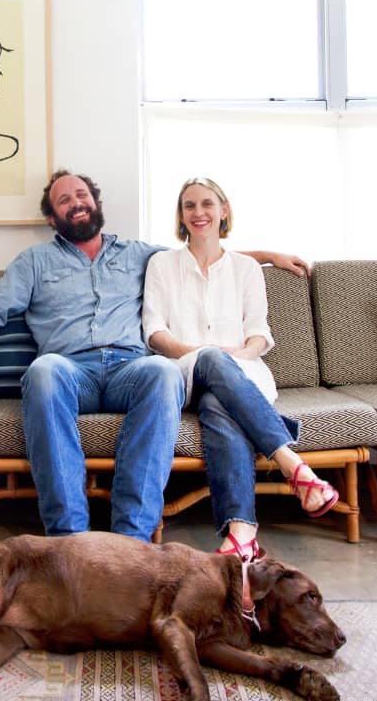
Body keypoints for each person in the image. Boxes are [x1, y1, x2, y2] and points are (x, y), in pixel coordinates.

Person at [0, 169, 312, 543]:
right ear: (53, 218)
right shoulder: (34, 262)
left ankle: (131, 537)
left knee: (162, 372)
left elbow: (200, 253)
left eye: (82, 195)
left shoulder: (137, 254)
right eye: (64, 200)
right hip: (70, 370)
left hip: (129, 369)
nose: (77, 203)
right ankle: (69, 537)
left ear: (96, 203)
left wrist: (268, 256)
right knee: (42, 371)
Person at [142, 176, 338, 561]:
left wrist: (240, 354)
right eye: (189, 206)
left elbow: (259, 334)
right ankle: (293, 464)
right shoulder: (161, 264)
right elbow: (154, 332)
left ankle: (242, 534)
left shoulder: (246, 269)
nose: (198, 212)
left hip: (244, 374)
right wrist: (202, 353)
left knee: (218, 404)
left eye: (207, 204)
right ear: (180, 216)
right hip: (183, 373)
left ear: (223, 210)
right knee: (212, 359)